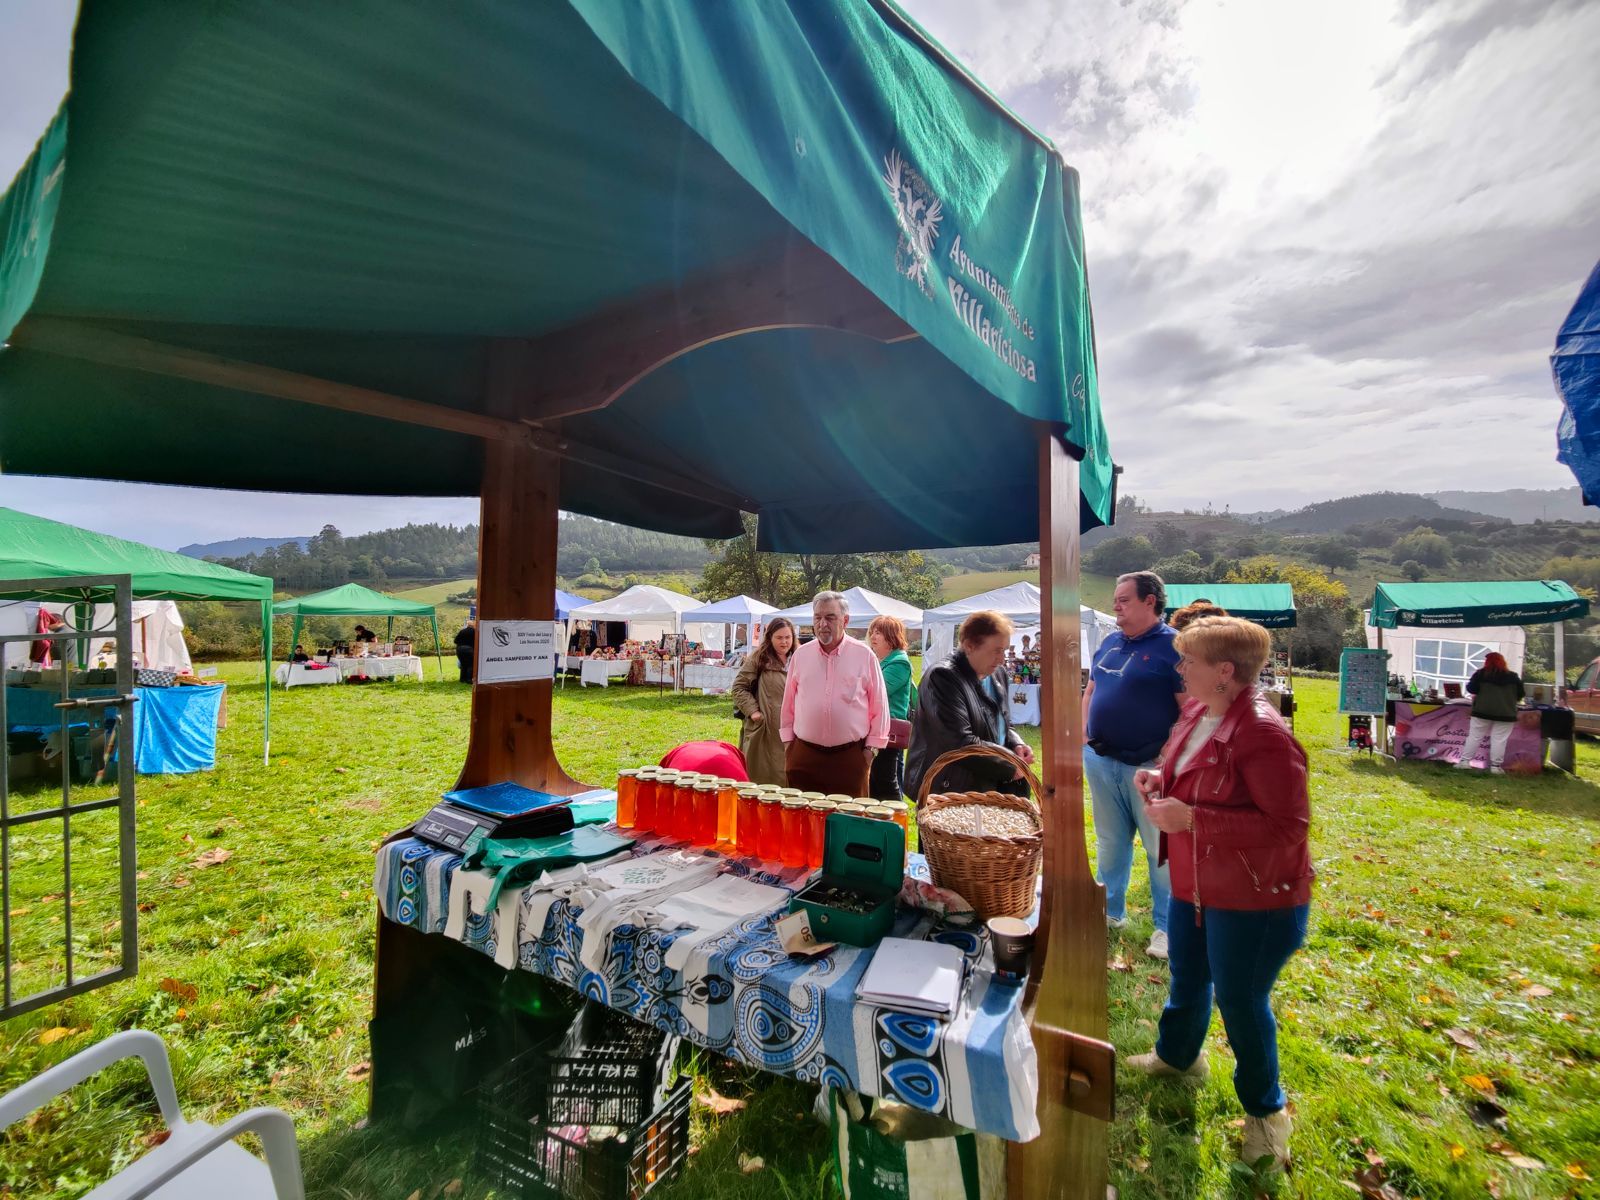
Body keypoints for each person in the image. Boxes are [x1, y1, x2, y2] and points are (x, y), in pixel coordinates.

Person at [1129, 616, 1311, 1172]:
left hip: (1253, 897)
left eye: (1190, 660)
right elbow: (1189, 773)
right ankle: (1178, 1057)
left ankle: (1266, 1116)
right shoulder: (1198, 711)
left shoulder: (1263, 734)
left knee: (1241, 1002)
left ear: (1225, 671)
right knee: (1188, 974)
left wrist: (1192, 819)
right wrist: (1159, 778)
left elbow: (1289, 826)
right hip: (1198, 883)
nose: (1179, 667)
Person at [1083, 571, 1183, 960]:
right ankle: (1110, 912)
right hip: (1101, 759)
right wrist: (1084, 736)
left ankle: (1167, 927)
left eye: (1124, 599)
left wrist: (1168, 755)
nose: (1116, 606)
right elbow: (1091, 689)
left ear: (1150, 601)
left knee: (1161, 849)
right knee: (1110, 841)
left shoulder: (1174, 646)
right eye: (1115, 599)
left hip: (1149, 767)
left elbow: (1190, 707)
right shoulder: (1110, 642)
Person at [905, 610, 1035, 799]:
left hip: (990, 786)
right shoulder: (942, 677)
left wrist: (1016, 743)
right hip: (951, 791)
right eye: (996, 650)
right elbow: (959, 742)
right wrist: (1010, 767)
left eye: (1004, 650)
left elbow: (1002, 723)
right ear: (969, 646)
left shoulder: (996, 674)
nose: (1002, 659)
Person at [780, 591, 889, 795]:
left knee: (848, 815)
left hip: (849, 757)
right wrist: (789, 746)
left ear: (845, 620)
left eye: (830, 617)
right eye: (817, 617)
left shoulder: (864, 655)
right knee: (802, 814)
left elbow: (879, 706)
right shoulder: (801, 655)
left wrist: (870, 751)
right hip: (804, 756)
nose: (822, 624)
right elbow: (788, 703)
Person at [731, 616, 796, 786]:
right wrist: (754, 712)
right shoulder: (759, 658)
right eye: (779, 637)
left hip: (794, 731)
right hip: (765, 732)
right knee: (763, 780)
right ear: (770, 638)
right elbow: (739, 687)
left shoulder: (800, 658)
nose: (784, 642)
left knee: (791, 780)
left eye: (788, 637)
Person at [867, 615, 915, 800]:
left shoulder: (899, 663)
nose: (873, 636)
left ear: (892, 636)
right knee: (877, 780)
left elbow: (877, 691)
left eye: (879, 633)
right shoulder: (883, 660)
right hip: (880, 728)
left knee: (886, 781)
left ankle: (896, 816)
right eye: (872, 632)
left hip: (889, 731)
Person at [1457, 651, 1525, 774]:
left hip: (1481, 711)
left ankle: (1465, 762)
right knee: (1499, 740)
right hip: (1506, 713)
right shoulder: (1513, 677)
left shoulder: (1480, 674)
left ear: (1487, 662)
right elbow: (1520, 695)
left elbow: (1471, 689)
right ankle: (1495, 766)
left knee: (1475, 736)